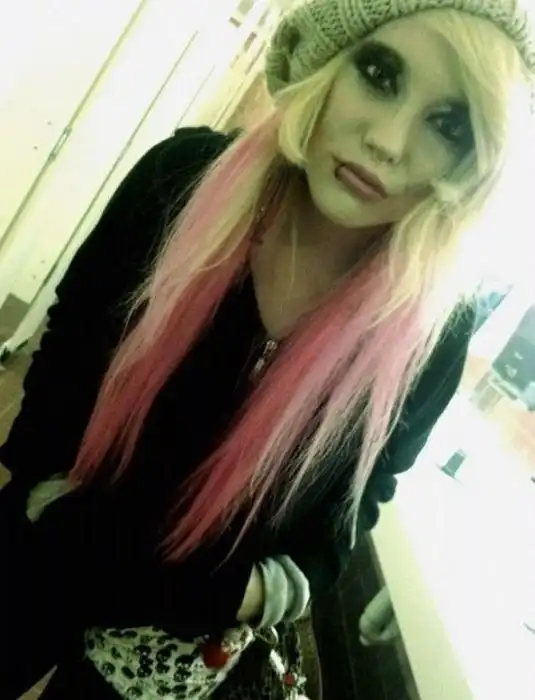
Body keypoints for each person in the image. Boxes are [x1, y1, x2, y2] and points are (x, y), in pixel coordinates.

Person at [1, 0, 534, 697]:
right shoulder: (179, 180)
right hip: (42, 549)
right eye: (379, 74)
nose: (388, 142)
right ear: (325, 63)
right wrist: (47, 496)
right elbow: (67, 343)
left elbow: (354, 505)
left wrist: (250, 595)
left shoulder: (429, 339)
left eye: (448, 123)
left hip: (169, 652)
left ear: (476, 160)